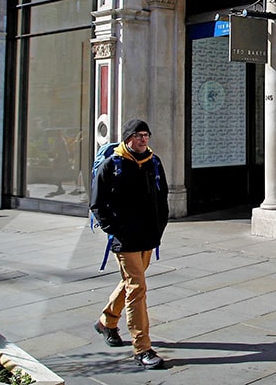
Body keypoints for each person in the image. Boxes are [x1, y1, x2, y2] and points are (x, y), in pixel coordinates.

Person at [90, 119, 169, 370]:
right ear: (127, 138)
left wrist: (159, 226)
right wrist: (114, 230)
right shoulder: (112, 165)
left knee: (131, 283)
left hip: (148, 236)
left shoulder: (153, 163)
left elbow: (163, 196)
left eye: (146, 134)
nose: (143, 139)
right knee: (137, 287)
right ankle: (142, 348)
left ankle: (107, 320)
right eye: (138, 135)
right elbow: (97, 203)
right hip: (125, 238)